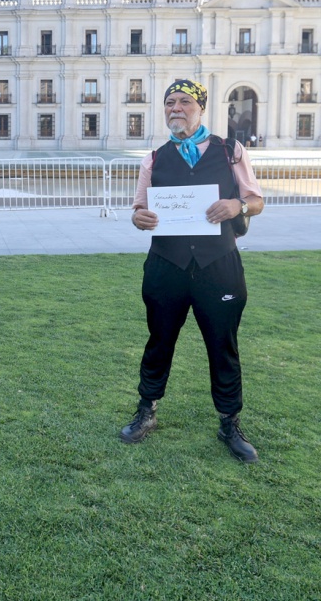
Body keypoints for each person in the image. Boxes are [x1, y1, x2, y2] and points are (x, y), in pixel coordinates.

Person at [121, 79, 264, 463]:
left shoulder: (230, 151)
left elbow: (256, 200)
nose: (176, 109)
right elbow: (138, 210)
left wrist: (238, 207)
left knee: (223, 345)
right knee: (158, 341)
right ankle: (146, 410)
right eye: (170, 103)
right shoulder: (152, 158)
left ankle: (229, 422)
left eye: (185, 102)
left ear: (200, 108)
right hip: (166, 265)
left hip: (219, 266)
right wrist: (140, 218)